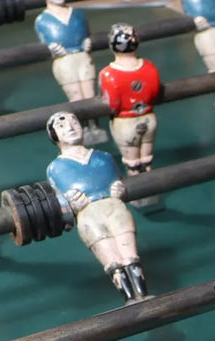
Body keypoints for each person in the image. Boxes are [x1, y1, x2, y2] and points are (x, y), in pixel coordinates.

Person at [44, 111, 146, 302]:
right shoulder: (55, 168)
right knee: (112, 260)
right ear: (54, 136)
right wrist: (71, 205)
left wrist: (119, 190)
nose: (71, 127)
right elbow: (60, 204)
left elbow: (118, 184)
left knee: (130, 255)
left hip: (115, 208)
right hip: (88, 215)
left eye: (74, 121)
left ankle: (143, 293)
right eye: (61, 125)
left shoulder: (104, 157)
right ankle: (130, 298)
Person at [34, 0, 106, 142]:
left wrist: (88, 41)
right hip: (64, 61)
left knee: (90, 94)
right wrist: (52, 50)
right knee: (76, 97)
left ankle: (95, 126)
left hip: (82, 57)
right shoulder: (42, 20)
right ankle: (83, 127)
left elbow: (87, 34)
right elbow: (44, 45)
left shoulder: (78, 13)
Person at [98, 23, 160, 176]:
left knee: (132, 164)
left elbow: (112, 104)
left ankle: (139, 196)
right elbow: (155, 92)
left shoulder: (108, 74)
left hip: (125, 122)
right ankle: (152, 190)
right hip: (148, 117)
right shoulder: (149, 67)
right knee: (147, 159)